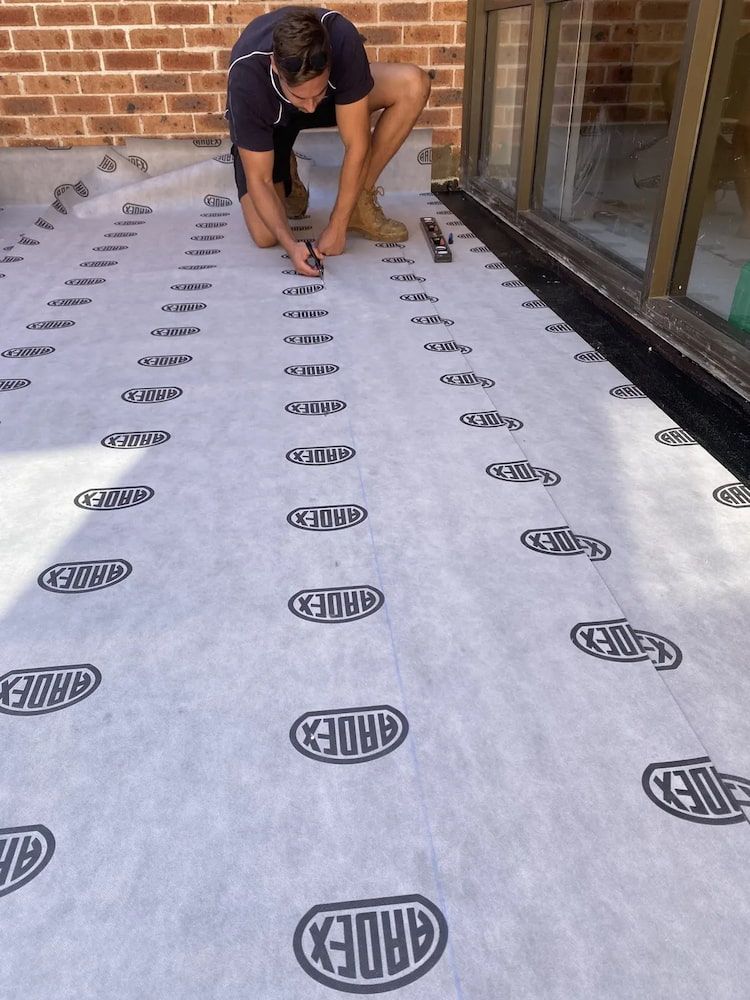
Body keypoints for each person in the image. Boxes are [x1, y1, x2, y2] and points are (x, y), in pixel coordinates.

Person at [225, 5, 431, 276]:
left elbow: (357, 145)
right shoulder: (246, 77)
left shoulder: (342, 39)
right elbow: (259, 180)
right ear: (274, 67)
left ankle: (359, 202)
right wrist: (292, 246)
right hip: (273, 122)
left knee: (414, 84)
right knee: (266, 236)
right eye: (301, 97)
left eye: (316, 93)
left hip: (333, 102)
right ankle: (281, 160)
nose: (310, 108)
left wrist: (338, 223)